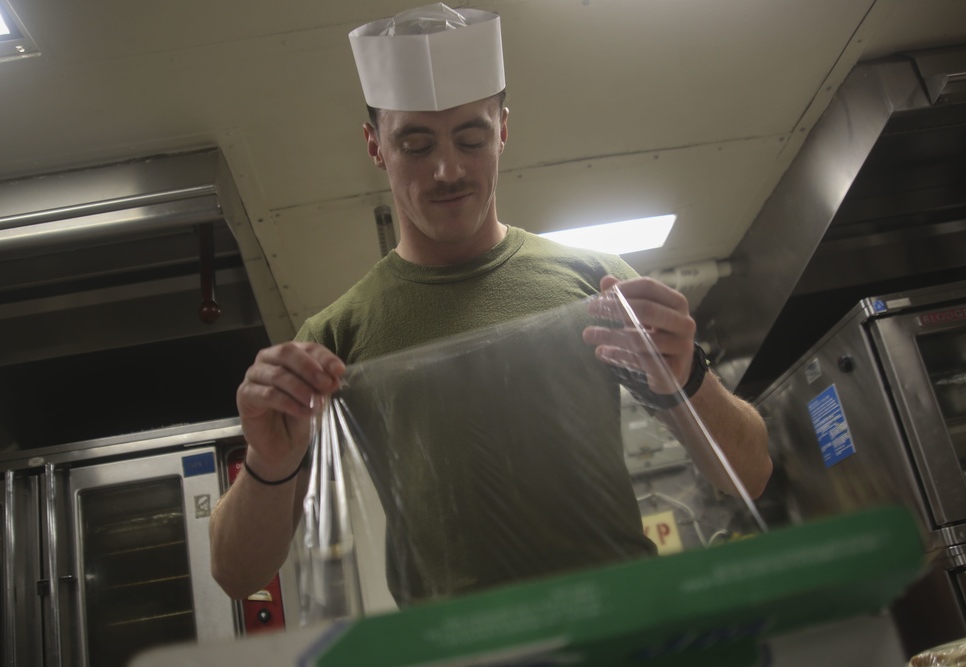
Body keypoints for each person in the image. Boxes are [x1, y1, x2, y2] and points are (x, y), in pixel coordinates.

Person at [210, 3, 771, 605]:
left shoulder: (596, 280)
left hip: (620, 630)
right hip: (460, 648)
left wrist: (688, 379)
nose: (448, 168)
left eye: (471, 138)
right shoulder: (334, 338)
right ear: (375, 146)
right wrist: (270, 461)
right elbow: (238, 576)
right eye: (415, 145)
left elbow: (750, 475)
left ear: (503, 129)